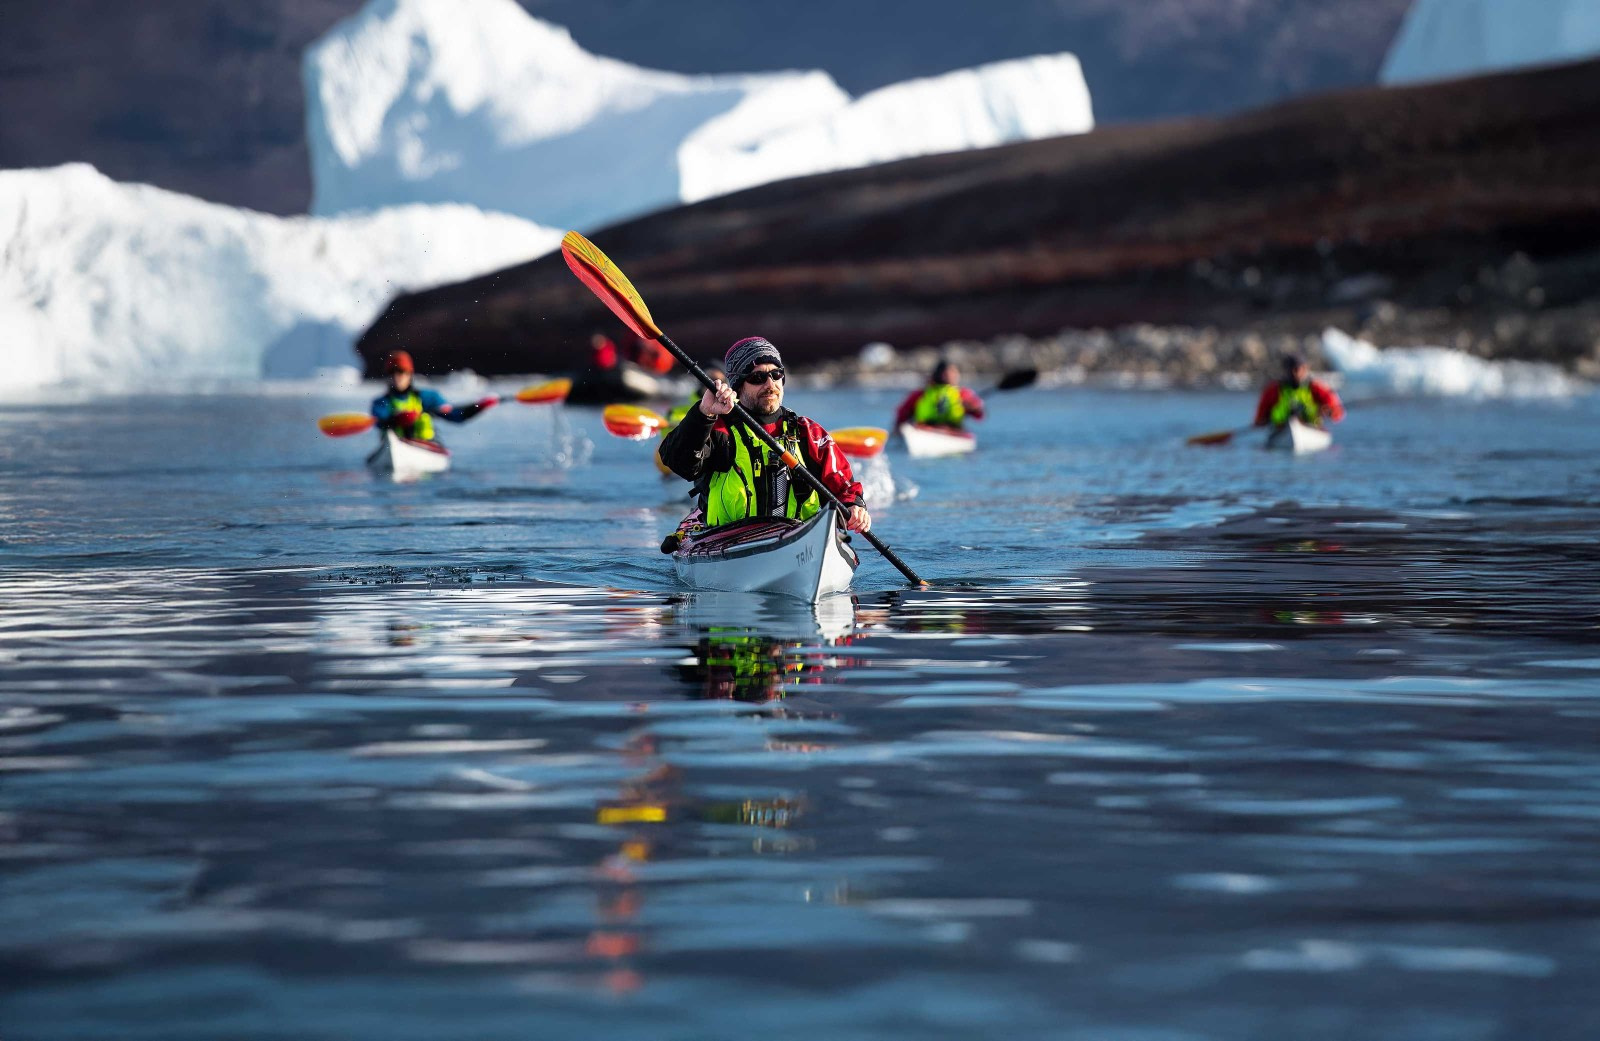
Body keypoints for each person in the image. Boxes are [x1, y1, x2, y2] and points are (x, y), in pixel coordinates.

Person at [659, 336, 871, 536]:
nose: (770, 385)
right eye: (758, 378)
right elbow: (678, 462)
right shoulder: (719, 430)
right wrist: (704, 413)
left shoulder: (808, 432)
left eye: (776, 374)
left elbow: (844, 487)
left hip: (798, 535)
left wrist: (855, 506)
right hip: (728, 537)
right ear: (738, 387)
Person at [369, 350, 498, 443]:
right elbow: (381, 421)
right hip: (394, 444)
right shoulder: (381, 403)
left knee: (424, 419)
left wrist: (478, 407)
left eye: (401, 372)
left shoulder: (428, 398)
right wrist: (399, 419)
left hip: (425, 446)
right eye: (392, 372)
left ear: (410, 374)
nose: (397, 377)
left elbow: (457, 416)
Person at [1253, 355, 1345, 430]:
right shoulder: (1272, 391)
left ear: (1305, 369)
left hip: (1311, 428)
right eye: (1291, 369)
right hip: (1281, 429)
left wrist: (1329, 412)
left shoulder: (1318, 388)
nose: (1295, 373)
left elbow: (1338, 412)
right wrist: (1264, 421)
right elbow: (1259, 420)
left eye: (1298, 369)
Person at [892, 359, 986, 430]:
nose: (951, 376)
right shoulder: (921, 394)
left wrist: (974, 408)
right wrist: (898, 429)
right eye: (947, 373)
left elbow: (979, 415)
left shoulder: (963, 394)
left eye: (954, 372)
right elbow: (902, 413)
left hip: (953, 430)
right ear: (939, 375)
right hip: (925, 428)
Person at [667, 361, 726, 426]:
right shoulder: (680, 402)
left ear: (725, 384)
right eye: (708, 378)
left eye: (718, 381)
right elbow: (668, 432)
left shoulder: (732, 404)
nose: (712, 383)